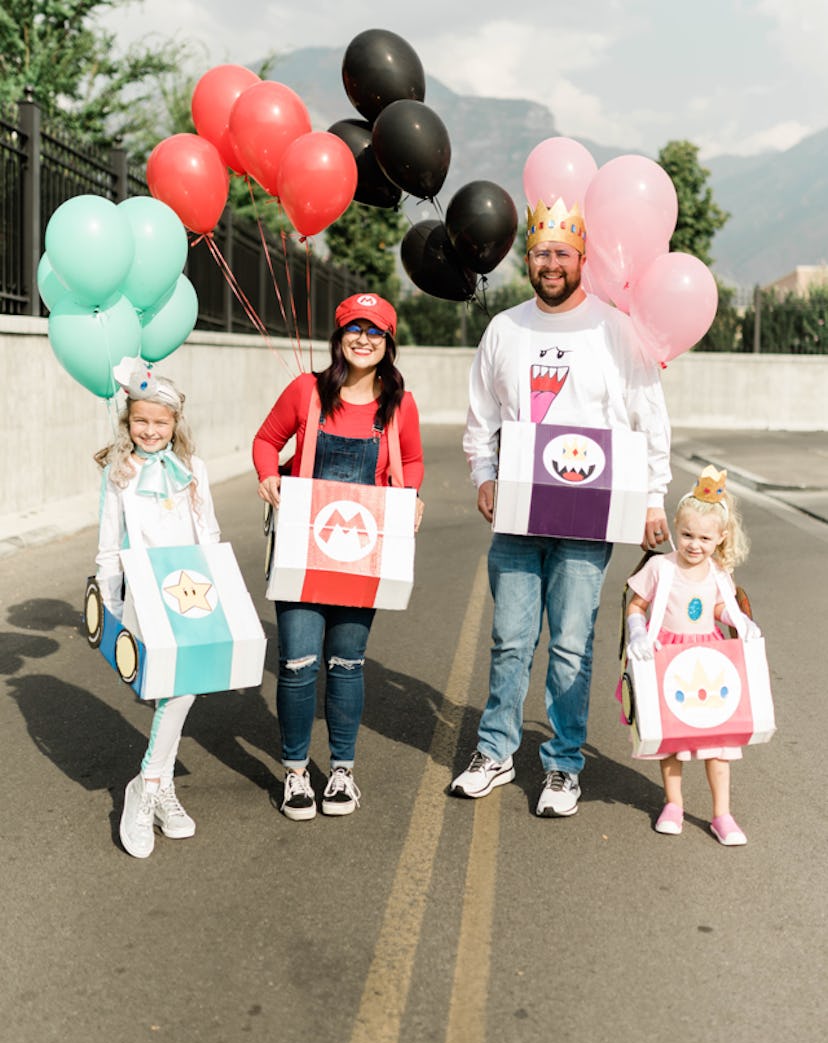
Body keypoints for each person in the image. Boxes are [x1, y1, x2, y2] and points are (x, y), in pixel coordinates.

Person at [452, 197, 672, 817]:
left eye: (562, 254)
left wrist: (653, 496)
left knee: (573, 643)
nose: (551, 263)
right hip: (520, 509)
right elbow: (482, 416)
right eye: (541, 253)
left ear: (582, 259)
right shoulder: (506, 329)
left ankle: (564, 765)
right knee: (510, 638)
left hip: (589, 514)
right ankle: (495, 752)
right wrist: (485, 474)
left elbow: (647, 416)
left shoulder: (615, 329)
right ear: (530, 258)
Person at [253, 293, 424, 821]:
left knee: (347, 664)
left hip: (361, 555)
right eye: (355, 328)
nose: (364, 339)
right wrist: (267, 476)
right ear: (339, 336)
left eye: (375, 331)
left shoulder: (399, 404)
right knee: (299, 662)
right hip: (304, 550)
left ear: (388, 342)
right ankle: (297, 773)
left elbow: (412, 459)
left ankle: (343, 772)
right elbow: (266, 440)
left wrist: (412, 496)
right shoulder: (306, 391)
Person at [95, 358, 221, 859]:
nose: (150, 431)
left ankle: (150, 785)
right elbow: (109, 545)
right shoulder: (119, 473)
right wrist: (109, 603)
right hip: (144, 596)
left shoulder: (194, 469)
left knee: (183, 687)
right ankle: (152, 786)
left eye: (160, 422)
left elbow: (207, 532)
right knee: (172, 687)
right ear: (128, 424)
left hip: (192, 592)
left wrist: (221, 590)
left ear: (175, 424)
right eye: (141, 421)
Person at [624, 465, 760, 845]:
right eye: (686, 535)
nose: (694, 544)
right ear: (676, 529)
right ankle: (673, 804)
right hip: (668, 655)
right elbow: (636, 605)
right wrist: (637, 630)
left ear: (720, 538)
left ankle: (722, 814)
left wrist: (740, 621)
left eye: (703, 538)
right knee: (674, 739)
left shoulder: (718, 573)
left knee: (718, 743)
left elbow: (720, 608)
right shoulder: (659, 567)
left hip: (708, 660)